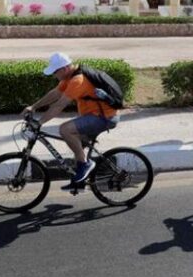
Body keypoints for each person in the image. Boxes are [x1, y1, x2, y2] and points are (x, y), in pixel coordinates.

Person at [21, 52, 120, 192]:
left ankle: (85, 165)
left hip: (104, 117)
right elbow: (55, 93)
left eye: (55, 72)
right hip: (93, 116)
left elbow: (59, 105)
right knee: (76, 144)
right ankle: (79, 182)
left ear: (65, 68)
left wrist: (40, 122)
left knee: (65, 129)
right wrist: (34, 106)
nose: (55, 75)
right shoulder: (69, 76)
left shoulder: (77, 80)